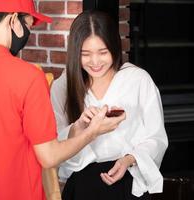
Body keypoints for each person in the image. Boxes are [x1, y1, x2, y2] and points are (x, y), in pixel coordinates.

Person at [0, 1, 125, 200]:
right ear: (12, 20)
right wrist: (93, 131)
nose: (27, 33)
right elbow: (49, 156)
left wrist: (76, 127)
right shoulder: (29, 77)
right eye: (27, 24)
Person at [50, 10, 169, 200]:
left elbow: (156, 138)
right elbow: (53, 144)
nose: (95, 62)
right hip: (81, 188)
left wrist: (129, 160)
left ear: (114, 47)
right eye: (85, 54)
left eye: (103, 52)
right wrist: (77, 129)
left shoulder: (137, 80)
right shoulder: (63, 87)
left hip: (127, 183)